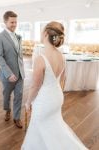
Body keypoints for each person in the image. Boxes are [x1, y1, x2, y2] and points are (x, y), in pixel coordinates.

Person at [21, 21, 88, 149]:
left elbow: (35, 86)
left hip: (45, 100)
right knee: (54, 126)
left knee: (40, 127)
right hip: (57, 96)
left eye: (41, 31)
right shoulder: (61, 56)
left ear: (46, 33)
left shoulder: (40, 59)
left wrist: (28, 102)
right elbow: (64, 78)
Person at [0, 11, 25, 128]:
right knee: (6, 95)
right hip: (8, 74)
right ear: (5, 22)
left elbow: (18, 56)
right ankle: (7, 110)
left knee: (19, 95)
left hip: (20, 73)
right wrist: (8, 73)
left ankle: (17, 117)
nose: (14, 24)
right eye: (12, 22)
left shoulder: (18, 37)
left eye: (15, 22)